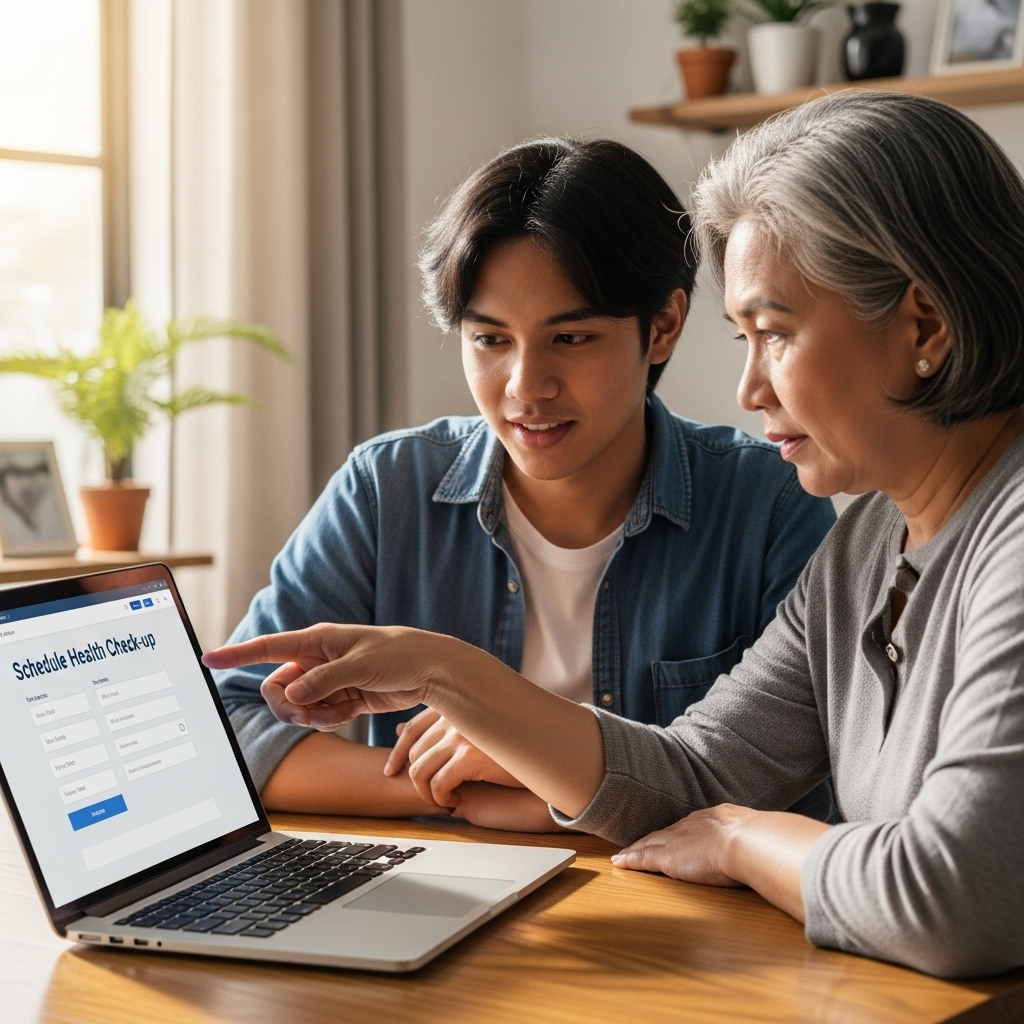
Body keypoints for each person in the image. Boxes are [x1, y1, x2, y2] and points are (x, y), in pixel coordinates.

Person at [205, 91, 1024, 978]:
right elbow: (695, 774)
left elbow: (953, 898)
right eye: (743, 335)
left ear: (926, 326)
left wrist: (742, 839)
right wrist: (444, 671)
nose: (749, 390)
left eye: (776, 334)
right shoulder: (867, 541)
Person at [213, 137, 835, 829]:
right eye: (490, 340)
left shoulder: (769, 503)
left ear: (662, 327)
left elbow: (805, 772)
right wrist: (469, 791)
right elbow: (228, 728)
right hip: (448, 901)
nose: (525, 388)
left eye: (570, 340)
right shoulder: (387, 490)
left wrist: (549, 763)